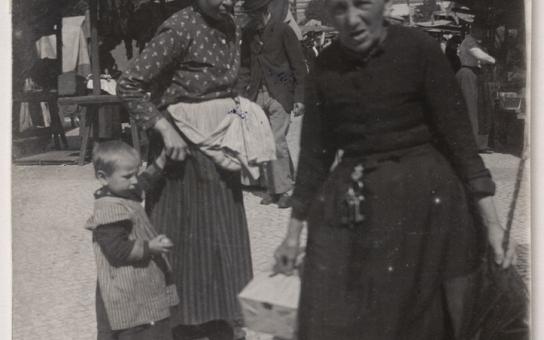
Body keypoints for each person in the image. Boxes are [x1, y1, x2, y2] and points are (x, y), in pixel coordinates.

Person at [273, 0, 518, 339]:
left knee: (421, 316)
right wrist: (291, 236)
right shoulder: (325, 68)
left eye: (362, 4)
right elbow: (314, 157)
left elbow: (461, 143)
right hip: (356, 201)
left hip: (425, 201)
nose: (353, 18)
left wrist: (491, 223)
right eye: (341, 8)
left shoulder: (419, 49)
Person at [117, 1, 253, 339]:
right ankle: (179, 327)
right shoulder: (179, 28)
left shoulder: (230, 25)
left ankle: (224, 323)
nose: (229, 1)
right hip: (182, 158)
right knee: (183, 249)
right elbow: (129, 84)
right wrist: (163, 127)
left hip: (220, 151)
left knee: (224, 244)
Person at [86, 141, 178, 340]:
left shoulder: (122, 189)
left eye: (135, 172)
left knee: (146, 318)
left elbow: (144, 182)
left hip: (135, 280)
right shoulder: (109, 209)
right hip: (124, 285)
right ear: (103, 178)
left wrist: (161, 161)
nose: (134, 180)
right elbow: (116, 250)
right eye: (128, 176)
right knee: (135, 326)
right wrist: (149, 247)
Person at [240, 0, 307, 208]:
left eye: (256, 15)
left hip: (280, 94)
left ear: (266, 11)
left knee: (276, 141)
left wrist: (299, 98)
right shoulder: (248, 32)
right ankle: (272, 187)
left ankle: (284, 190)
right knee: (263, 142)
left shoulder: (283, 31)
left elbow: (299, 67)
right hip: (257, 94)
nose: (253, 20)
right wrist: (241, 95)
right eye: (250, 16)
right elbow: (245, 67)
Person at [456, 25, 496, 153]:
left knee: (480, 109)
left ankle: (480, 143)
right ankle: (473, 143)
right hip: (468, 74)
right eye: (480, 29)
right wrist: (494, 60)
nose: (482, 32)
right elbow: (480, 56)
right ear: (474, 30)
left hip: (475, 74)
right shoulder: (469, 41)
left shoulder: (475, 42)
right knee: (471, 108)